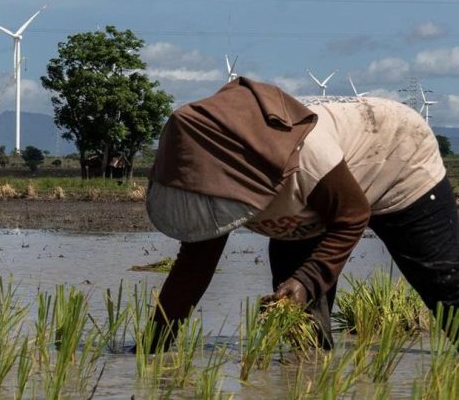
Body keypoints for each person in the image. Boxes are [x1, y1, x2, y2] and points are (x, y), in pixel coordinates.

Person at [146, 77, 457, 349]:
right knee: (299, 325)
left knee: (446, 286)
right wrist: (150, 349)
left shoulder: (305, 153)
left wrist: (308, 278)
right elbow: (192, 269)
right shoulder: (209, 174)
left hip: (394, 154)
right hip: (304, 206)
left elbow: (352, 216)